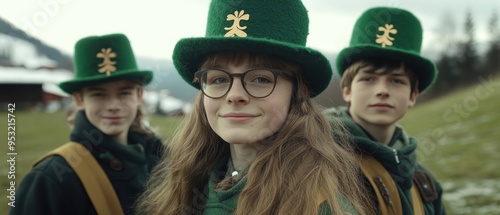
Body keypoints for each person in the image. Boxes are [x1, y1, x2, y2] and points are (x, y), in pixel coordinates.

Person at [10, 33, 164, 215]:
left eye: (124, 93)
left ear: (139, 96)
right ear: (79, 99)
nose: (114, 106)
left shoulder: (161, 159)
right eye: (99, 94)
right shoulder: (50, 178)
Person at [325, 7, 446, 215]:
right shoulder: (318, 161)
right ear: (347, 91)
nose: (382, 91)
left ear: (412, 96)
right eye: (368, 79)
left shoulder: (426, 185)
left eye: (396, 81)